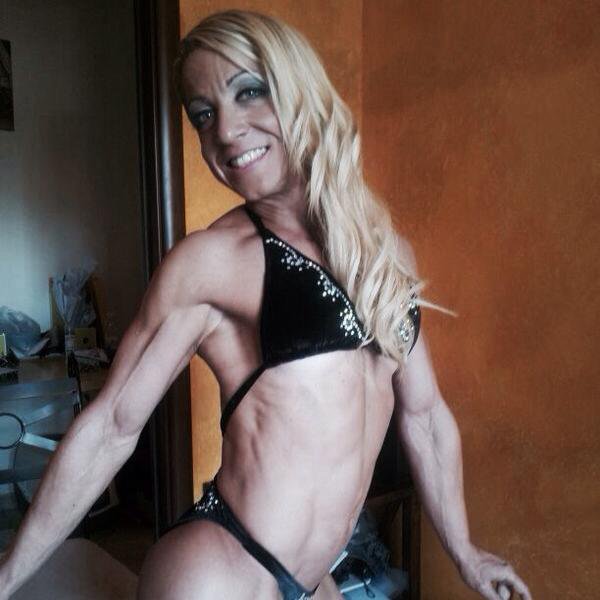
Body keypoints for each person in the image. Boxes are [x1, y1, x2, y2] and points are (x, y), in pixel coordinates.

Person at [0, 10, 532, 600]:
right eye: (203, 115)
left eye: (249, 91)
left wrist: (465, 553)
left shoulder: (388, 254)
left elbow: (425, 417)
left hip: (314, 578)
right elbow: (109, 428)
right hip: (220, 572)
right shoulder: (211, 262)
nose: (226, 131)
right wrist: (6, 578)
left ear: (300, 87)